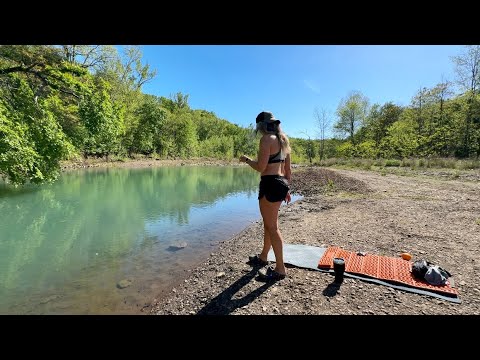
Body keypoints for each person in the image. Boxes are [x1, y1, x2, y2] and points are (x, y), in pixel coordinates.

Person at [239, 111, 292, 281]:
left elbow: (261, 167)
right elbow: (287, 171)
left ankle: (280, 269)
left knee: (272, 227)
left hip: (269, 184)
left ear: (261, 125)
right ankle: (263, 257)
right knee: (269, 224)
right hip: (280, 184)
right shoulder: (284, 140)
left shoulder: (266, 139)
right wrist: (286, 189)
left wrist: (247, 160)